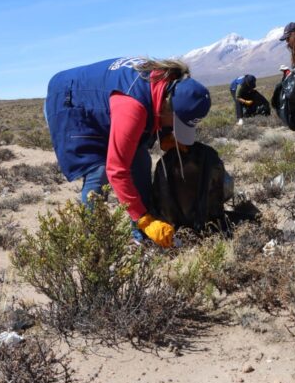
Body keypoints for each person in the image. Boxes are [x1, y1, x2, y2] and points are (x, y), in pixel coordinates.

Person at [45, 57, 211, 248]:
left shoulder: (171, 84)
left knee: (140, 161)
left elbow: (157, 108)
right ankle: (93, 248)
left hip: (107, 102)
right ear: (167, 108)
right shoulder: (132, 106)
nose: (175, 129)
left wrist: (166, 135)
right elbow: (117, 170)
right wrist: (145, 220)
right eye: (175, 123)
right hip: (70, 101)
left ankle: (140, 236)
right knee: (98, 172)